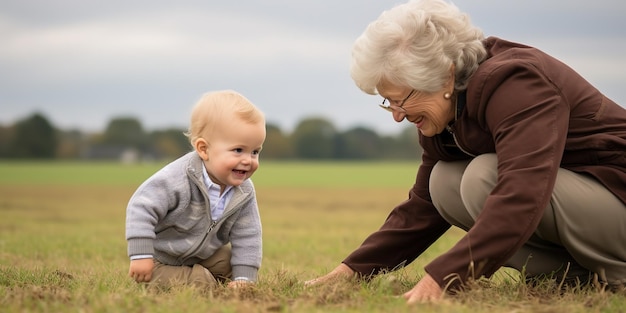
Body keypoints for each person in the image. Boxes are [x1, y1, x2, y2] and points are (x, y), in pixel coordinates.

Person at [306, 0, 626, 304]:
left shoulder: (517, 82)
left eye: (402, 99)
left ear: (445, 75)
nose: (397, 115)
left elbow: (521, 194)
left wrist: (444, 277)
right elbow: (423, 207)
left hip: (617, 194)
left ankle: (618, 275)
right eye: (387, 101)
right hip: (586, 206)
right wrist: (352, 270)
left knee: (482, 176)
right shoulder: (445, 112)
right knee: (443, 182)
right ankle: (570, 277)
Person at [126, 90, 266, 290]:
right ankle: (200, 280)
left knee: (230, 262)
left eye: (255, 151)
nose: (248, 160)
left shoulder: (243, 191)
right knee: (201, 283)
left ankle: (228, 282)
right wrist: (141, 255)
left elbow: (248, 234)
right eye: (238, 150)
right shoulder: (177, 178)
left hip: (201, 255)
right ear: (203, 149)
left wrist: (245, 277)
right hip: (159, 259)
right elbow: (141, 207)